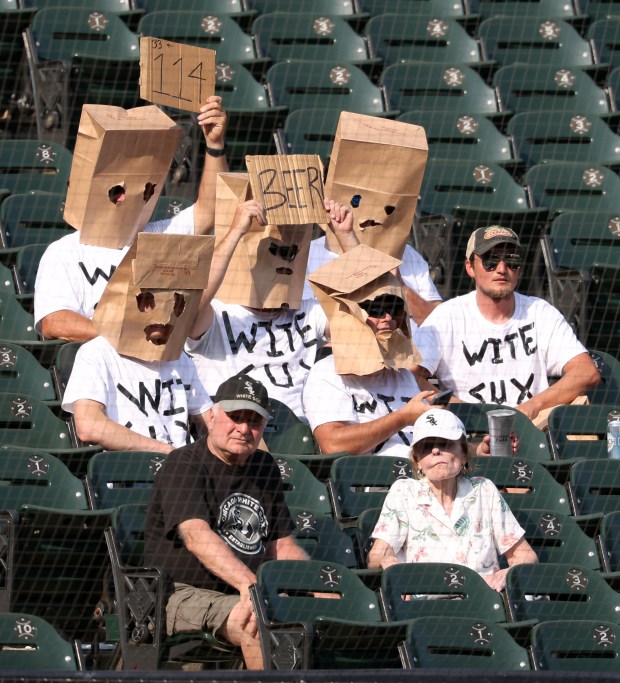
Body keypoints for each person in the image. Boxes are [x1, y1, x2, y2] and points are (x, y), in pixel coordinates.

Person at [144, 374, 309, 669]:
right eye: (235, 417)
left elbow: (281, 545)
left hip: (244, 592)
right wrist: (251, 586)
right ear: (212, 416)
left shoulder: (264, 466)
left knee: (315, 616)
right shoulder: (184, 464)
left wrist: (320, 589)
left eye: (254, 421)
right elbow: (195, 535)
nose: (244, 429)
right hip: (178, 593)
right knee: (255, 623)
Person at [34, 96, 228, 343]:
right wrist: (130, 337)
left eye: (142, 188)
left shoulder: (160, 236)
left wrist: (215, 144)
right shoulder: (65, 251)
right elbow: (55, 322)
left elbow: (210, 210)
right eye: (116, 190)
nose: (126, 196)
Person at [186, 195, 353, 420]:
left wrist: (346, 237)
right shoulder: (216, 312)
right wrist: (236, 231)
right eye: (276, 251)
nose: (286, 260)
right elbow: (191, 305)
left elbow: (366, 321)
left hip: (295, 435)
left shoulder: (310, 313)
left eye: (292, 252)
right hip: (234, 428)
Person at [412, 226, 600, 421]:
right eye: (491, 261)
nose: (502, 269)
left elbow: (586, 372)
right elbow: (410, 376)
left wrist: (531, 407)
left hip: (532, 430)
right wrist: (460, 410)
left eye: (512, 260)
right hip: (466, 432)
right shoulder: (448, 316)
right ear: (470, 267)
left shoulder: (539, 312)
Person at [62, 233, 214, 454]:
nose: (163, 314)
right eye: (149, 301)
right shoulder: (96, 353)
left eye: (175, 303)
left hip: (182, 476)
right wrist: (165, 452)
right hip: (131, 476)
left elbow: (213, 420)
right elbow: (89, 425)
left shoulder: (178, 358)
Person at [367, 409, 538, 591]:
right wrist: (387, 560)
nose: (435, 450)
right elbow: (375, 557)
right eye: (426, 447)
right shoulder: (404, 492)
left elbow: (526, 556)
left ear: (464, 453)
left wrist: (507, 574)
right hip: (425, 603)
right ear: (417, 461)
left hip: (483, 600)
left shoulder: (483, 490)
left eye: (445, 443)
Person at [303, 243, 437, 457]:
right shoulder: (327, 373)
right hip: (369, 483)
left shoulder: (402, 374)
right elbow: (333, 445)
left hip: (422, 478)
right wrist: (402, 417)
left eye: (394, 309)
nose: (387, 319)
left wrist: (478, 450)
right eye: (376, 309)